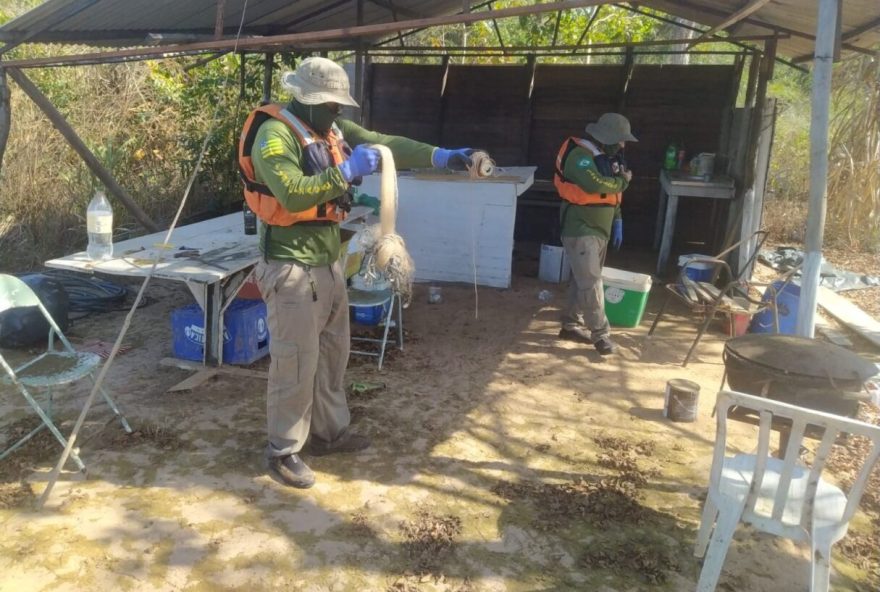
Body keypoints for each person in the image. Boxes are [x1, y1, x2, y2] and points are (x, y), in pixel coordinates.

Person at [238, 57, 480, 489]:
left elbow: (384, 143)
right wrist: (346, 171)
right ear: (307, 99)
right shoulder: (274, 136)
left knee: (332, 356)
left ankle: (329, 435)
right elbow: (292, 195)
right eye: (332, 105)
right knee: (295, 363)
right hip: (291, 268)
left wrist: (440, 156)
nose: (340, 113)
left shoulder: (327, 129)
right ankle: (283, 450)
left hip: (329, 264)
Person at [552, 113, 637, 356]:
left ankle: (570, 324)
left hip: (602, 228)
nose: (623, 145)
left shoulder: (610, 158)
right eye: (620, 139)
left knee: (583, 279)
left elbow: (612, 195)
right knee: (591, 282)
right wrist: (623, 182)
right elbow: (595, 185)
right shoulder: (580, 156)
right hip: (580, 228)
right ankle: (601, 335)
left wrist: (618, 219)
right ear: (606, 137)